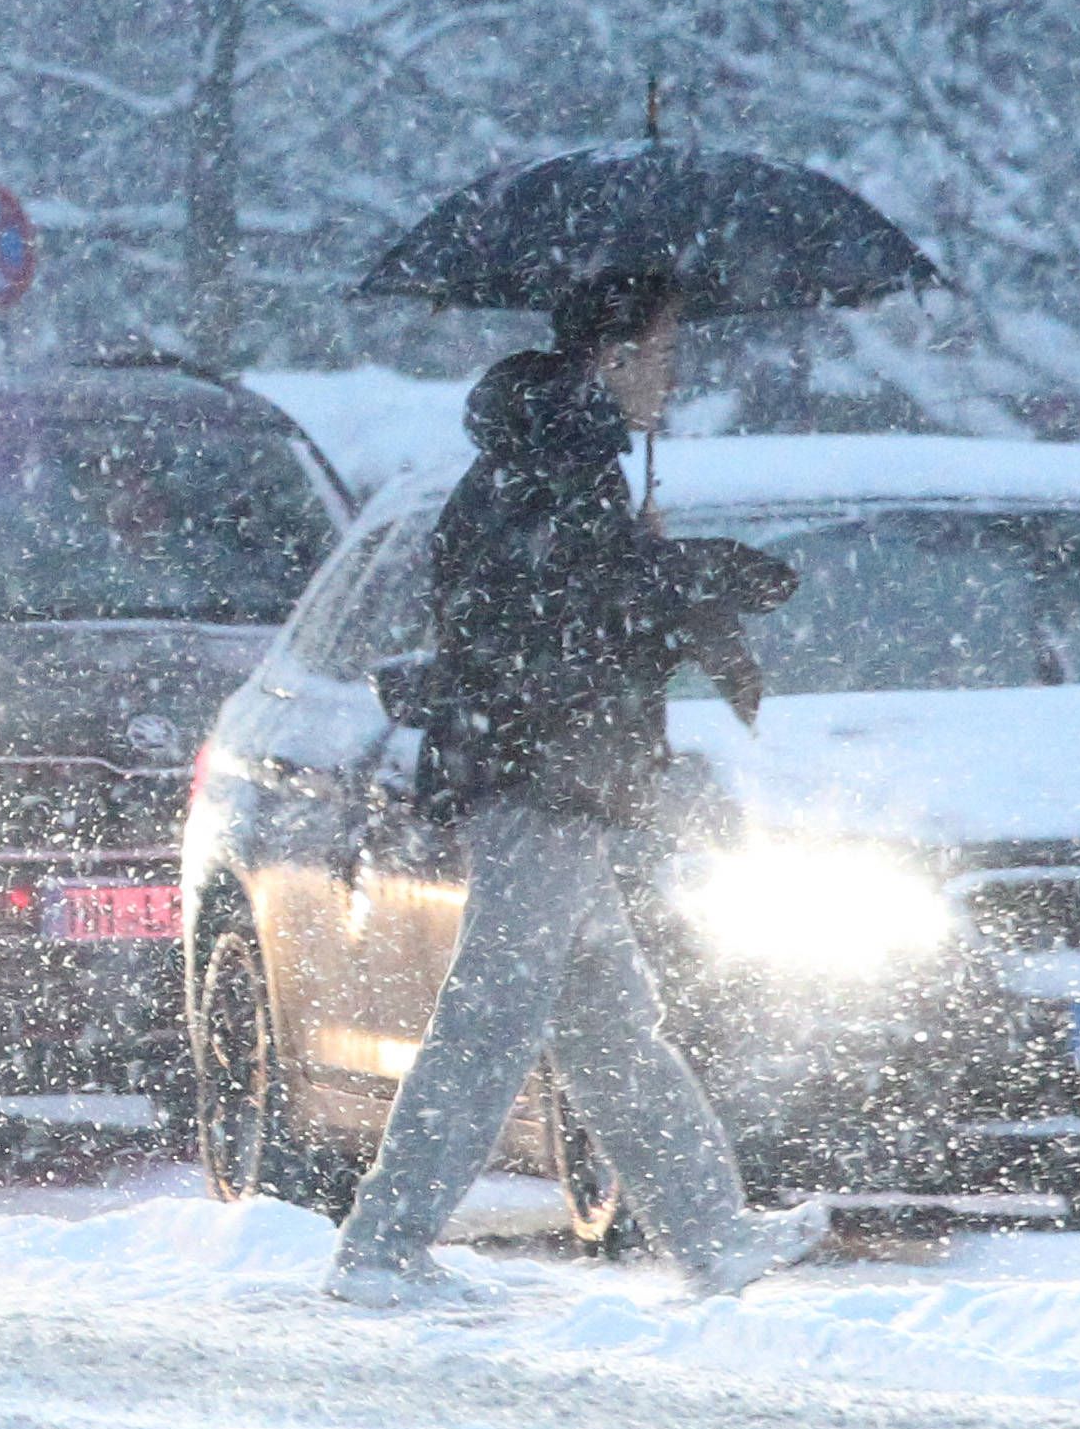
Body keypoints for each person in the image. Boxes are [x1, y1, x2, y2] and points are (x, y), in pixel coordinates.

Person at [329, 269, 830, 1309]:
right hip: (537, 781)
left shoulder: (559, 463)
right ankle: (383, 1248)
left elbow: (574, 611)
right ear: (613, 358)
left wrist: (658, 569)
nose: (673, 379)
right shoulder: (549, 468)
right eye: (664, 354)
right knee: (492, 1019)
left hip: (566, 780)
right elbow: (554, 626)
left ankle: (711, 1234)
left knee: (610, 1026)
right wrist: (686, 575)